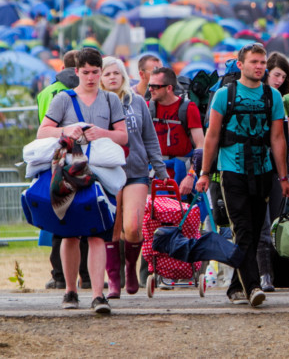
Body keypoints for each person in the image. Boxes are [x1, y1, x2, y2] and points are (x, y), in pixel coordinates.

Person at [196, 43, 289, 307]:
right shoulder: (224, 95)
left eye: (262, 62)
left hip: (263, 172)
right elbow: (212, 137)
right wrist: (204, 173)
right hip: (231, 172)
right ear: (240, 65)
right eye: (254, 62)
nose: (259, 67)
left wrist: (284, 177)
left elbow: (277, 138)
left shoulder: (272, 97)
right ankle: (252, 286)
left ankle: (236, 287)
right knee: (242, 229)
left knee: (251, 230)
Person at [37, 47, 128, 314]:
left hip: (100, 174)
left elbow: (123, 136)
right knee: (69, 235)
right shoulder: (63, 99)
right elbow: (43, 131)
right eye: (85, 72)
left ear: (101, 71)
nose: (90, 77)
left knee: (98, 235)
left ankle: (98, 295)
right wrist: (66, 129)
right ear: (76, 72)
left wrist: (103, 133)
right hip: (69, 174)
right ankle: (70, 290)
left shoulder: (111, 100)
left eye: (95, 72)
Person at [100, 56, 169, 298]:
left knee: (132, 228)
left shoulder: (137, 102)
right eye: (107, 74)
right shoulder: (96, 104)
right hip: (106, 172)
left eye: (116, 73)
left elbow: (150, 138)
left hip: (136, 172)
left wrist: (161, 172)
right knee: (111, 228)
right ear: (100, 78)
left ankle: (130, 267)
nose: (112, 78)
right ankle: (114, 276)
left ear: (123, 76)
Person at [36, 50, 92, 291]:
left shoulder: (48, 92)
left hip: (57, 158)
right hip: (88, 157)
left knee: (61, 216)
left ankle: (59, 276)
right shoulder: (88, 90)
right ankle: (87, 276)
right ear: (79, 69)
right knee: (89, 217)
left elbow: (44, 123)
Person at [256, 52, 289, 292]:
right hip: (258, 166)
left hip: (278, 167)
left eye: (284, 76)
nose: (280, 80)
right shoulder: (257, 97)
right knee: (262, 221)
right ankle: (264, 275)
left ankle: (271, 274)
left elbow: (284, 142)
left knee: (274, 222)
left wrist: (288, 170)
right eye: (276, 74)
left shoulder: (283, 100)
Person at [148, 67, 205, 198]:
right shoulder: (148, 108)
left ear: (169, 88)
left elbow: (201, 145)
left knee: (184, 216)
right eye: (150, 85)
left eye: (155, 86)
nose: (150, 89)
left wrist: (191, 175)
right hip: (155, 174)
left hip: (183, 174)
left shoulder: (188, 108)